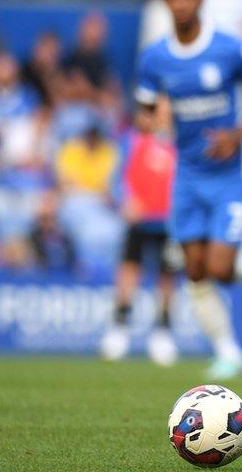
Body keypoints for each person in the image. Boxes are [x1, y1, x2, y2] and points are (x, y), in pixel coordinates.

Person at [135, 0, 242, 380]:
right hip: (188, 175)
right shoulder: (155, 58)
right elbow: (144, 111)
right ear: (166, 3)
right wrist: (151, 122)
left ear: (200, 0)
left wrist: (238, 134)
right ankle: (228, 352)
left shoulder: (230, 49)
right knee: (194, 270)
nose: (180, 4)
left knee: (218, 267)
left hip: (230, 171)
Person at [98, 105, 180, 366]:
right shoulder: (132, 141)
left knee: (167, 276)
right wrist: (126, 200)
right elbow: (117, 177)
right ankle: (120, 327)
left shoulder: (181, 143)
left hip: (170, 221)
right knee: (129, 269)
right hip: (140, 218)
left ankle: (162, 331)